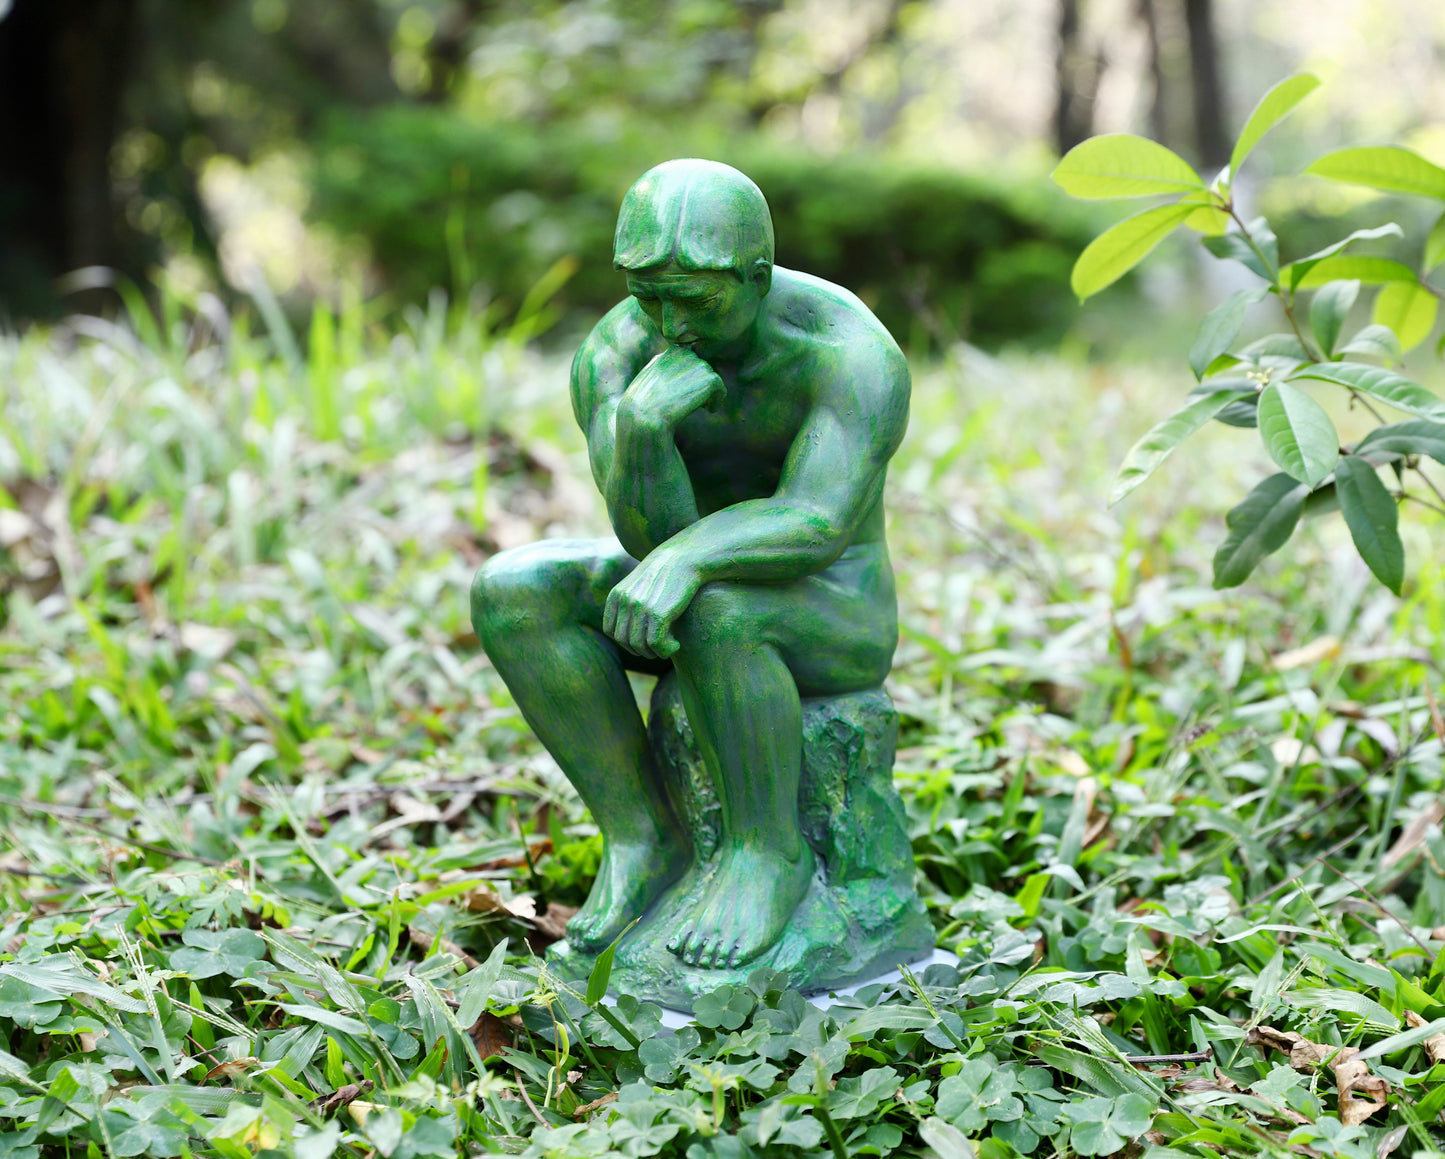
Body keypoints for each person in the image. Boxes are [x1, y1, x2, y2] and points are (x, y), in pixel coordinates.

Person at [471, 158, 910, 971]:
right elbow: (648, 538)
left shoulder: (846, 353)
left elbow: (815, 521)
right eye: (648, 295)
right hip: (685, 580)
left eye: (697, 299)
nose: (670, 325)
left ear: (756, 276)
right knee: (514, 591)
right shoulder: (616, 354)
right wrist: (642, 433)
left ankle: (766, 850)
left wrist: (688, 560)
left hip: (832, 610)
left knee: (718, 605)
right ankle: (642, 836)